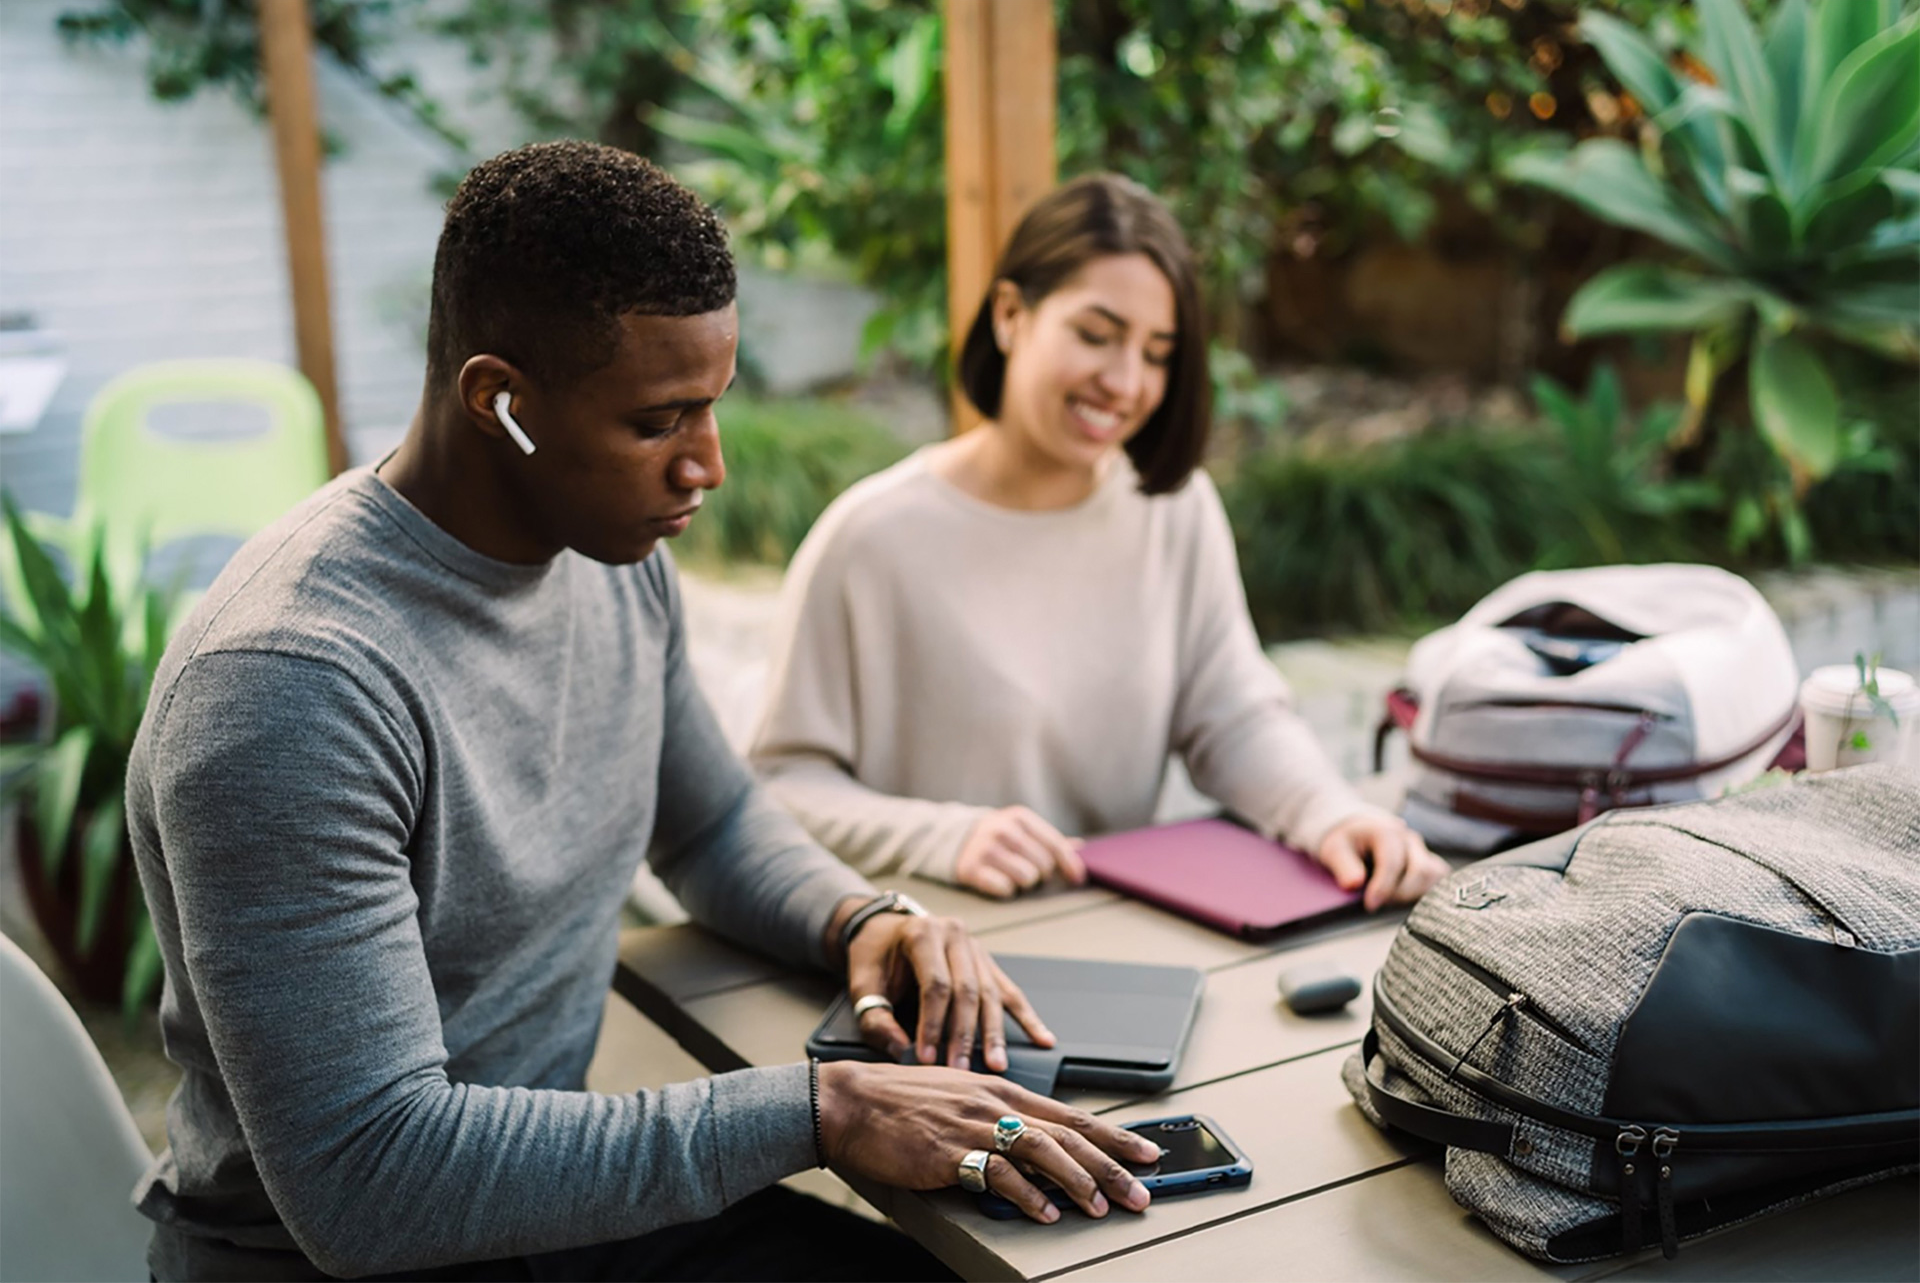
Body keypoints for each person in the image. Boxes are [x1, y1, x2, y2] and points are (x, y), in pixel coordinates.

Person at [124, 142, 1162, 1283]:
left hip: (541, 1216)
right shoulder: (289, 690)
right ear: (498, 399)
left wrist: (861, 921)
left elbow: (712, 824)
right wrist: (825, 1111)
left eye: (712, 408)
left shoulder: (607, 554)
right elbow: (368, 1178)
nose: (706, 467)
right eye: (659, 422)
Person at [750, 173, 1447, 912]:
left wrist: (1330, 814)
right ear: (1012, 315)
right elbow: (778, 785)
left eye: (1156, 352)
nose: (1125, 381)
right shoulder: (870, 540)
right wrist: (940, 837)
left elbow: (1234, 718)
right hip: (929, 957)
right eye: (1096, 335)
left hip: (1117, 937)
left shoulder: (1172, 509)